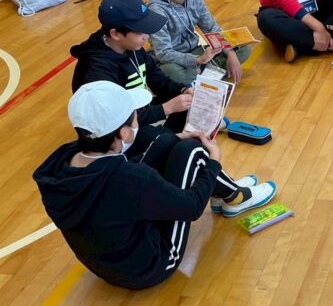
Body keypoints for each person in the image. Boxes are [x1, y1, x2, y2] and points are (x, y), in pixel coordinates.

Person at [33, 82, 278, 290]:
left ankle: (228, 191)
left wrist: (170, 140)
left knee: (169, 143)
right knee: (194, 151)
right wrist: (214, 162)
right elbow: (192, 207)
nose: (137, 120)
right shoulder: (129, 178)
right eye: (135, 116)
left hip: (106, 266)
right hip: (152, 267)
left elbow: (122, 179)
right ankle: (235, 196)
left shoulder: (59, 164)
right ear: (124, 133)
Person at [71, 0, 193, 133]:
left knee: (189, 109)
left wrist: (182, 90)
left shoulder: (132, 46)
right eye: (140, 31)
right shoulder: (97, 71)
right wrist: (167, 108)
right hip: (119, 132)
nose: (146, 36)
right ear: (115, 34)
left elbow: (157, 78)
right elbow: (117, 120)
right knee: (181, 139)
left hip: (138, 113)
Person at [147, 0, 252, 85]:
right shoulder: (156, 10)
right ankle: (208, 74)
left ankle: (200, 76)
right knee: (172, 73)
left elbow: (212, 28)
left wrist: (230, 53)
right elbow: (164, 53)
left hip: (196, 52)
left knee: (243, 49)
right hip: (173, 61)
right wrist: (198, 60)